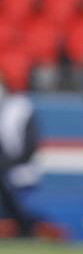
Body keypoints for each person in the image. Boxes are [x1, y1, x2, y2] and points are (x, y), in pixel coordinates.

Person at [0, 75, 39, 237]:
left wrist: (7, 164)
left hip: (19, 167)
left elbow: (29, 145)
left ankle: (22, 226)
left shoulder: (20, 108)